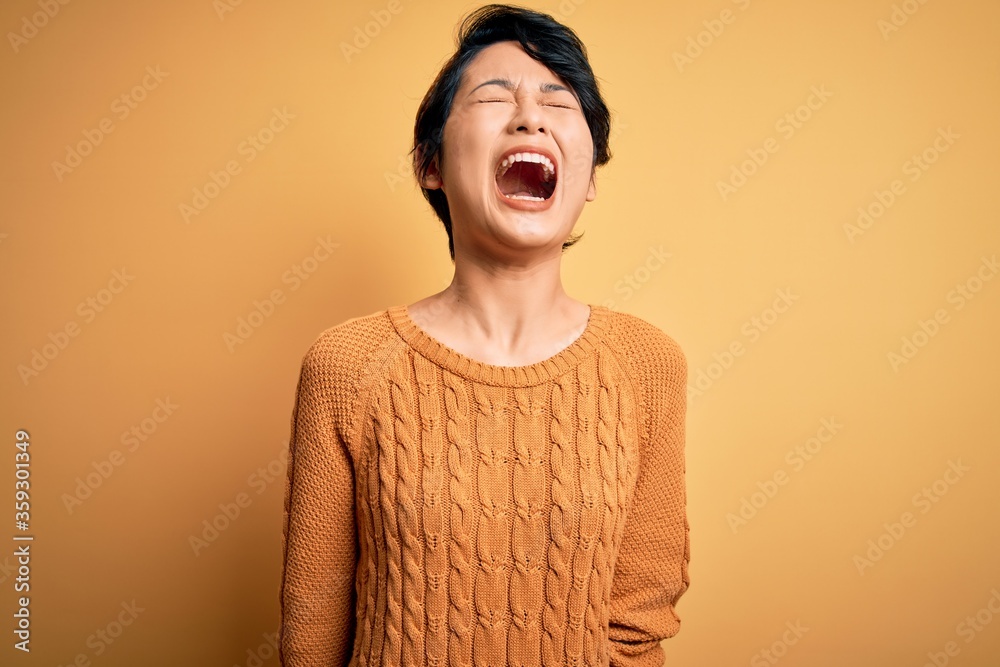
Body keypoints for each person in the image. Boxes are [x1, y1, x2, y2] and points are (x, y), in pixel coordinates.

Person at [278, 4, 690, 666]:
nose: (530, 117)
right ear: (430, 164)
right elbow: (313, 631)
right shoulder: (345, 365)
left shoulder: (647, 365)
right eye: (495, 96)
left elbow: (637, 627)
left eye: (559, 103)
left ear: (589, 179)